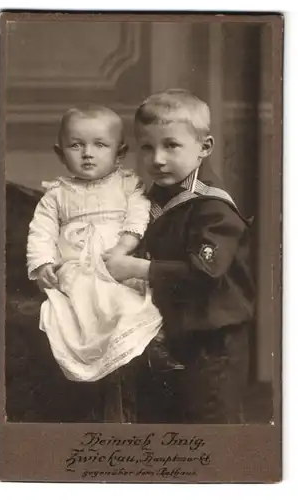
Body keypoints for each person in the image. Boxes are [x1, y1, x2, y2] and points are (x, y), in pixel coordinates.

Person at [103, 89, 255, 423]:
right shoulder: (150, 198)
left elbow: (204, 271)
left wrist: (136, 267)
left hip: (213, 342)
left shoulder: (213, 208)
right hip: (167, 332)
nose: (157, 158)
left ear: (205, 148)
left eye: (171, 145)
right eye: (147, 146)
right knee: (161, 420)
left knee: (209, 423)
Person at [27, 104, 180, 384]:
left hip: (117, 264)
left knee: (128, 304)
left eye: (99, 145)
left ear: (119, 153)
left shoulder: (126, 185)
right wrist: (43, 263)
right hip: (78, 267)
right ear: (60, 153)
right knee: (88, 301)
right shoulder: (56, 195)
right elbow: (41, 231)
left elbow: (138, 214)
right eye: (76, 145)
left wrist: (124, 245)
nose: (87, 153)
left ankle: (148, 350)